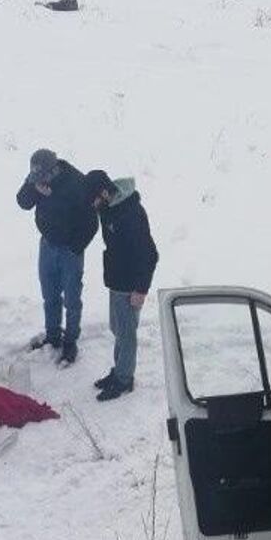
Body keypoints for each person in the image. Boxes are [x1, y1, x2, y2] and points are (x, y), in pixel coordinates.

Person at [83, 169, 160, 402]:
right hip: (116, 282)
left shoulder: (131, 214)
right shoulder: (108, 207)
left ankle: (124, 379)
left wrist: (141, 290)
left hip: (129, 286)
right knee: (117, 329)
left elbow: (150, 254)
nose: (92, 204)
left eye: (93, 199)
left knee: (126, 335)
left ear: (105, 192)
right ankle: (119, 370)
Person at [16, 148, 97, 366]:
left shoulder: (76, 183)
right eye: (35, 177)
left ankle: (70, 340)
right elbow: (23, 202)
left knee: (71, 298)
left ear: (54, 171)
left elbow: (91, 222)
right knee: (49, 294)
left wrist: (75, 247)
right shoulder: (36, 179)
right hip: (47, 244)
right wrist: (34, 188)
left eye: (42, 177)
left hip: (70, 250)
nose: (39, 181)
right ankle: (52, 335)